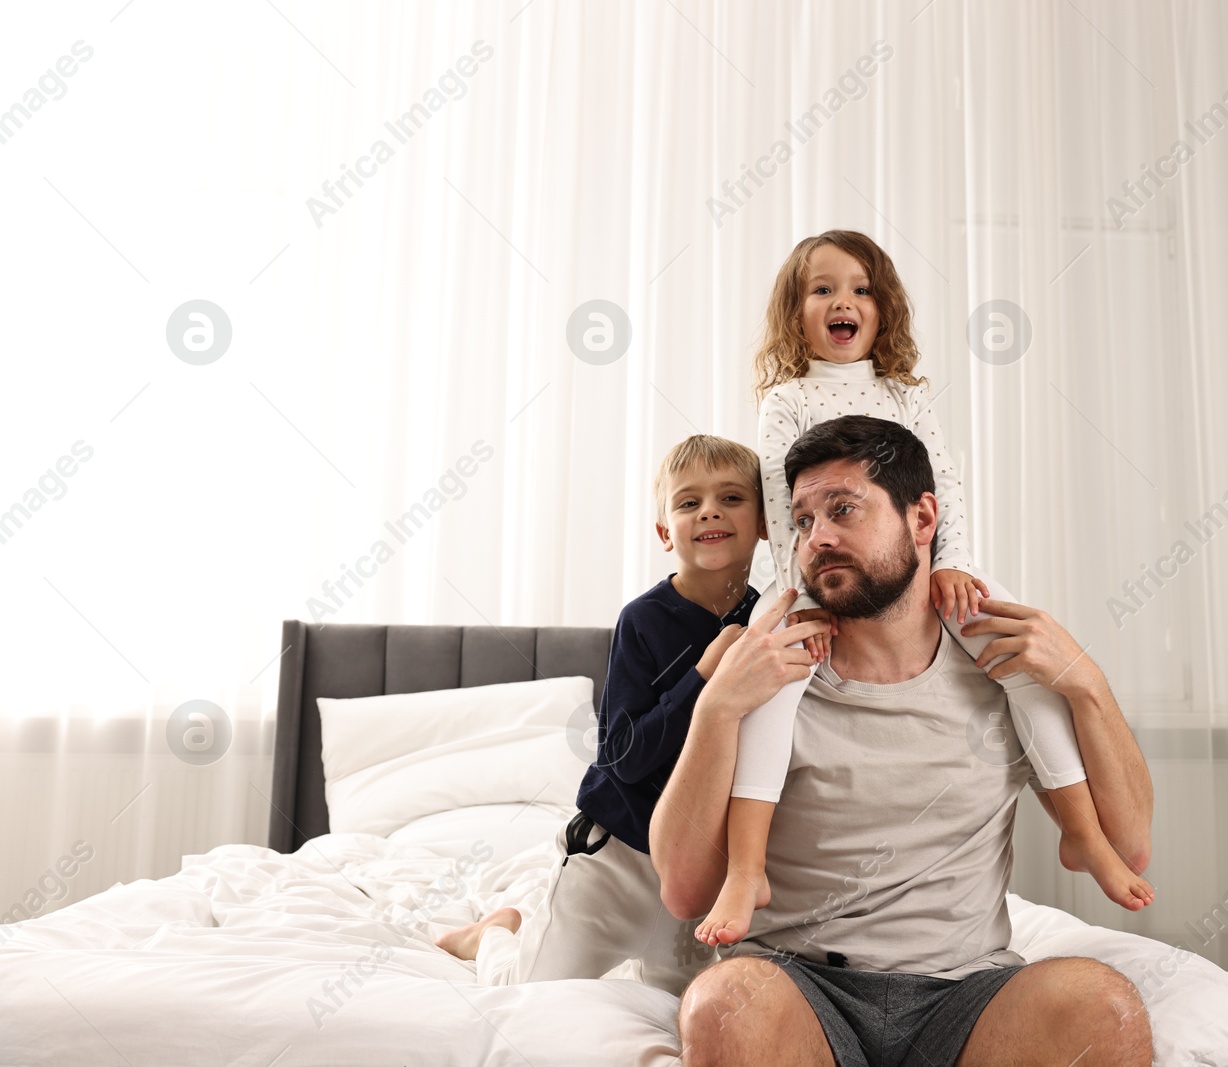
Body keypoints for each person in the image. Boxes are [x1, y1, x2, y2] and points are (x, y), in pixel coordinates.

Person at [694, 230, 1152, 950]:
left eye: (860, 288)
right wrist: (802, 599)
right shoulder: (786, 401)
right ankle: (748, 867)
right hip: (807, 583)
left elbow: (944, 488)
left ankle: (1081, 831)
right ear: (796, 313)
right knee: (770, 697)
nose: (842, 301)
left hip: (930, 568)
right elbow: (788, 511)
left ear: (883, 310)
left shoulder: (906, 396)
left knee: (1026, 672)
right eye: (822, 289)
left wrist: (951, 564)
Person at [652, 415, 1156, 1066]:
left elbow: (1129, 847)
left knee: (1103, 1007)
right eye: (803, 520)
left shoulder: (996, 663)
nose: (819, 537)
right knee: (723, 1002)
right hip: (800, 983)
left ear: (923, 520)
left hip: (969, 992)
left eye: (843, 509)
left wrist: (1086, 682)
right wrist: (714, 709)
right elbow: (686, 892)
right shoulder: (770, 671)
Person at [433, 435, 829, 995]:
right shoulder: (642, 621)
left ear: (767, 522)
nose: (710, 510)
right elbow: (621, 755)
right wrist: (703, 679)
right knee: (527, 993)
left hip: (696, 866)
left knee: (680, 1009)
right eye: (688, 503)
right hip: (612, 856)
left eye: (731, 497)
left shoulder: (770, 616)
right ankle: (496, 933)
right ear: (666, 532)